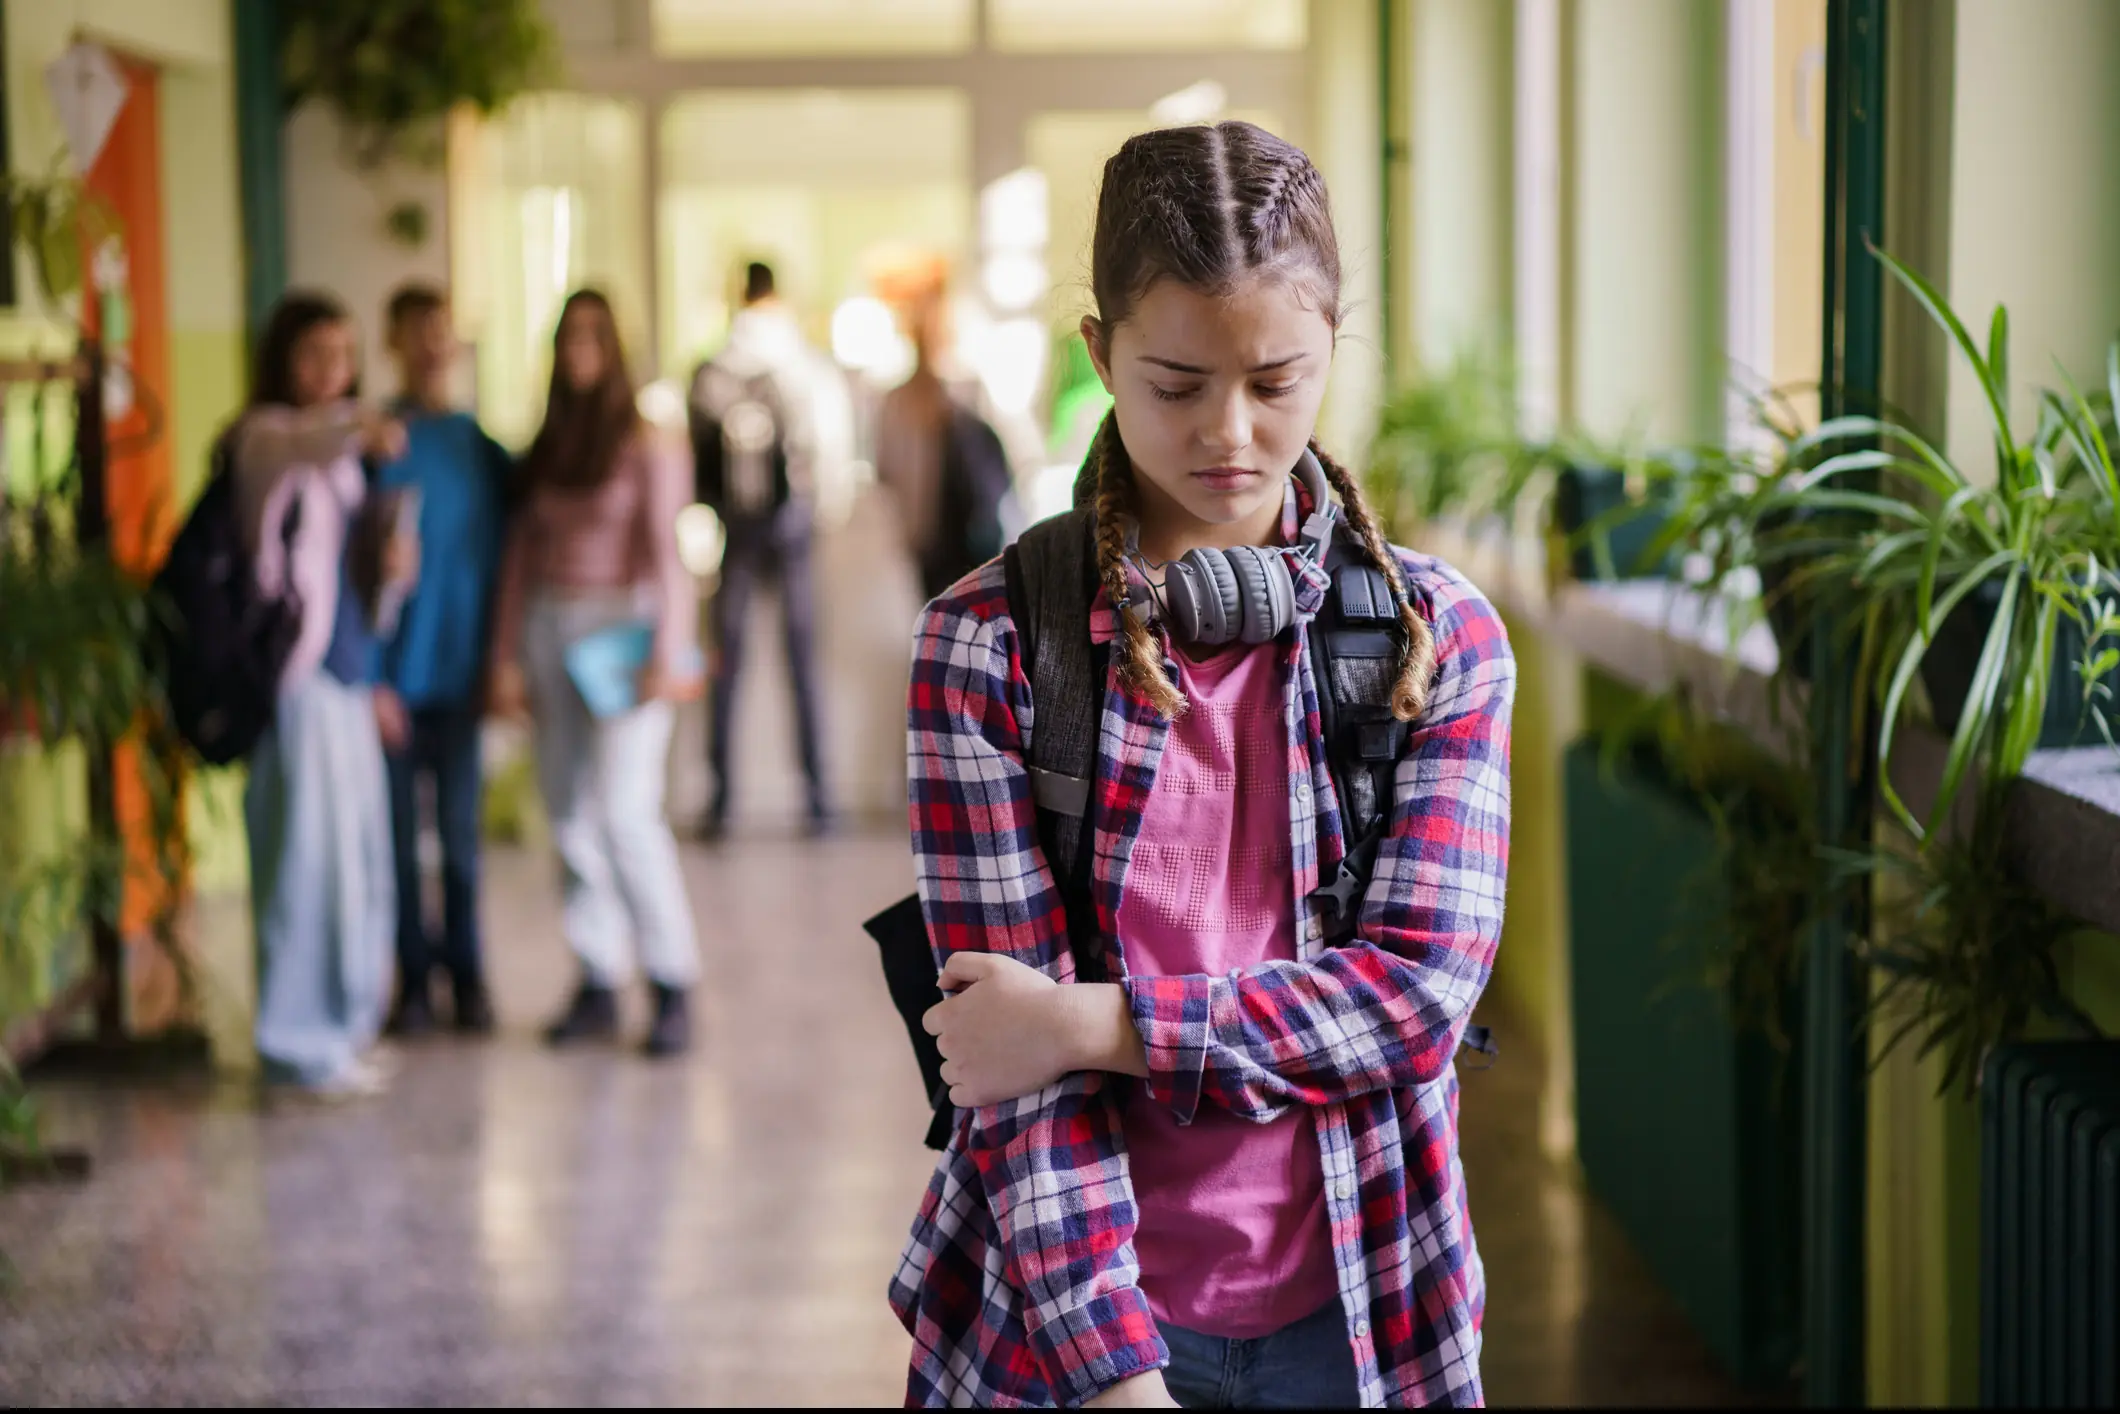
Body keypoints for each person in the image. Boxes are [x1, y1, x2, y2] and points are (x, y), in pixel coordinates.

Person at [889, 122, 1515, 1408]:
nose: (1230, 434)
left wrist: (1087, 1022)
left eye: (1277, 379)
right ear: (1097, 353)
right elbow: (1009, 1083)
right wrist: (1116, 1379)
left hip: (1364, 1300)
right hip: (1063, 1321)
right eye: (1174, 383)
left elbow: (1410, 1001)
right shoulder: (989, 644)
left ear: (1335, 341)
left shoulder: (1434, 640)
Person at [488, 289, 704, 1058]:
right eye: (567, 336)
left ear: (613, 347)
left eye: (593, 335)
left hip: (627, 637)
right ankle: (597, 980)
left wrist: (668, 651)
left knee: (623, 811)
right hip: (551, 630)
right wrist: (503, 658)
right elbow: (520, 558)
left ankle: (672, 981)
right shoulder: (549, 444)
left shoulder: (648, 438)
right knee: (568, 813)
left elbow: (667, 552)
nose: (579, 348)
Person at [234, 291, 412, 1098]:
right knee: (303, 864)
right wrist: (361, 422)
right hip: (293, 683)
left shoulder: (343, 459)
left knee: (355, 863)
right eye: (314, 356)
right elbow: (302, 443)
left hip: (346, 677)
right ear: (282, 362)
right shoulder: (265, 440)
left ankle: (340, 1030)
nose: (330, 374)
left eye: (343, 357)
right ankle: (295, 1043)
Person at [372, 282, 514, 1038]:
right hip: (393, 684)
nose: (432, 345)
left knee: (460, 844)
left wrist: (503, 664)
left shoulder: (480, 448)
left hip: (461, 681)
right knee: (397, 848)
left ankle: (470, 978)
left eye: (442, 331)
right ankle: (414, 985)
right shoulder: (377, 442)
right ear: (392, 342)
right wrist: (371, 678)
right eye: (416, 330)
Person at [687, 260, 843, 837]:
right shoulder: (800, 362)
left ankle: (724, 800)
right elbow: (830, 447)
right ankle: (817, 798)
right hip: (787, 525)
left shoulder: (714, 367)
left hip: (741, 529)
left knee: (733, 661)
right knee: (797, 662)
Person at [874, 279, 1018, 603]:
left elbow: (885, 467)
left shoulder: (951, 391)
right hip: (949, 529)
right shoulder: (958, 391)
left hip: (951, 528)